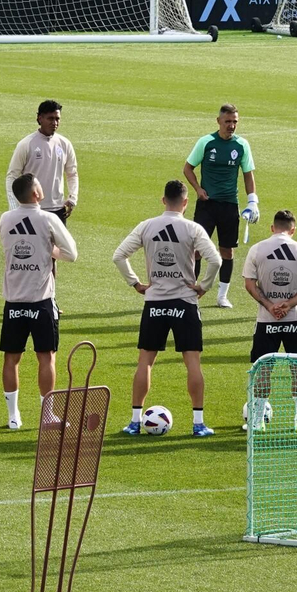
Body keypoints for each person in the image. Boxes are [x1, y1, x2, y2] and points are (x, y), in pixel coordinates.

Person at [111, 179, 222, 437]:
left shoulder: (147, 226)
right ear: (185, 202)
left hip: (155, 303)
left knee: (145, 362)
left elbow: (118, 256)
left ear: (163, 200)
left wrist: (136, 283)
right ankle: (198, 424)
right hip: (184, 302)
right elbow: (215, 260)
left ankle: (135, 422)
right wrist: (203, 286)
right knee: (192, 363)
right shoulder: (193, 229)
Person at [0, 173, 79, 430]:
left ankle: (13, 416)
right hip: (41, 300)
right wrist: (49, 251)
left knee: (11, 358)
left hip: (13, 300)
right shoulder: (48, 218)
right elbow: (71, 254)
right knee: (46, 357)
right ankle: (48, 415)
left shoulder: (5, 218)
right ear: (35, 194)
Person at [240, 208, 297, 431]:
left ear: (272, 228)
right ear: (293, 229)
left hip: (266, 320)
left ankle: (256, 422)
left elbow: (249, 284)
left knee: (263, 370)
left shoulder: (257, 249)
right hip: (295, 319)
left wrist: (270, 306)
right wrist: (288, 305)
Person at [183, 103, 258, 308]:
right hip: (207, 205)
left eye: (234, 121)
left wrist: (252, 201)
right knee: (197, 249)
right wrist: (198, 189)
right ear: (219, 121)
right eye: (228, 121)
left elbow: (248, 174)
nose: (231, 126)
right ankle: (191, 291)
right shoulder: (206, 142)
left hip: (229, 205)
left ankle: (222, 296)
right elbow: (188, 168)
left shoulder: (242, 145)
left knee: (227, 251)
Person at [6, 100, 78, 222]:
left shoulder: (64, 144)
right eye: (50, 119)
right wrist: (14, 206)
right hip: (33, 209)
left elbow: (72, 173)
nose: (54, 123)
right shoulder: (26, 144)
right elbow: (12, 176)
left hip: (58, 210)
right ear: (40, 119)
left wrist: (73, 198)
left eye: (57, 119)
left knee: (60, 242)